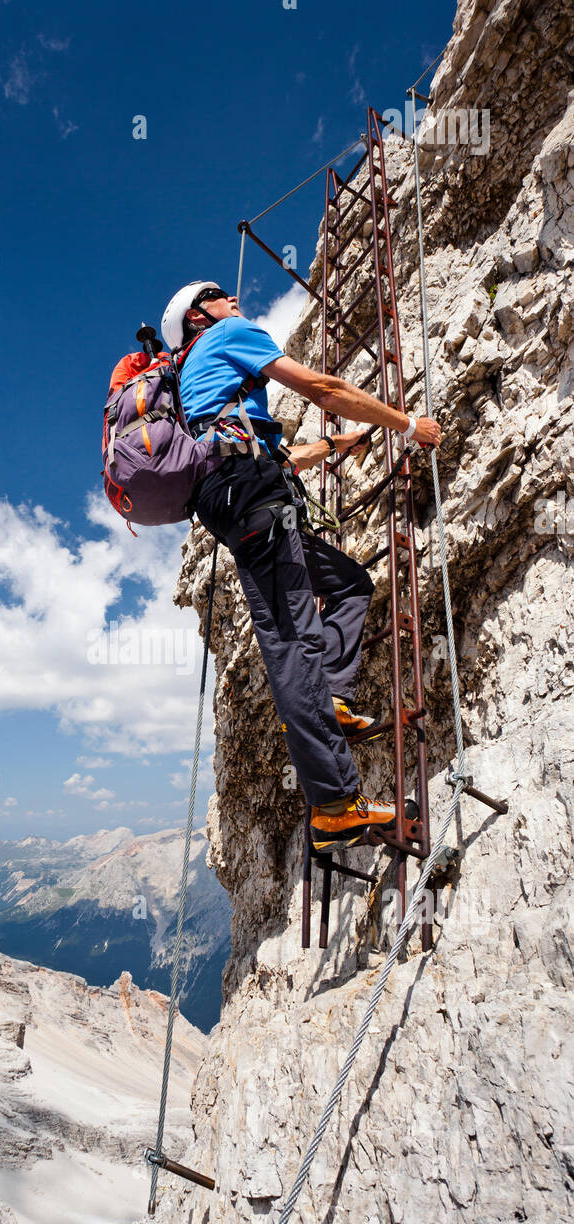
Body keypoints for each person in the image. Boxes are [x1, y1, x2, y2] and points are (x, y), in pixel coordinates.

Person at [160, 281, 442, 851]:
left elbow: (279, 452)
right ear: (198, 316)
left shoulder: (202, 387)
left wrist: (344, 444)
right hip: (254, 496)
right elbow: (324, 388)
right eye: (218, 294)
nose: (232, 299)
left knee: (349, 585)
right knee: (293, 643)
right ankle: (336, 804)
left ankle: (332, 700)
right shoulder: (229, 336)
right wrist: (407, 425)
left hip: (243, 497)